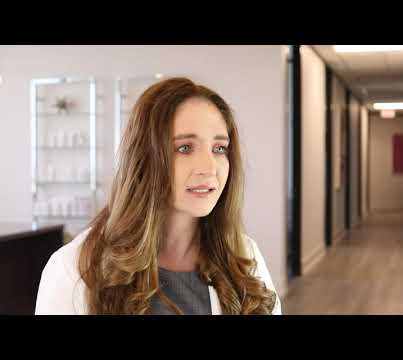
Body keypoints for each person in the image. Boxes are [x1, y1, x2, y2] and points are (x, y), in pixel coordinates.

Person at [35, 77, 281, 315]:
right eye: (184, 148)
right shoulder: (73, 270)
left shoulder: (246, 256)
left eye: (219, 149)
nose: (209, 167)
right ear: (144, 158)